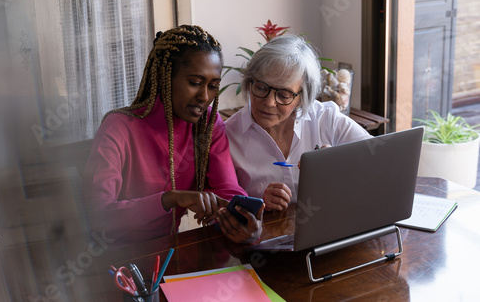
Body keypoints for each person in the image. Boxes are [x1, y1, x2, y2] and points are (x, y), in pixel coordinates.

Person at [82, 25, 263, 244]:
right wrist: (170, 199)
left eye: (213, 86)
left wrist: (243, 214)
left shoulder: (206, 123)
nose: (205, 97)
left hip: (170, 252)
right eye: (195, 83)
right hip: (118, 258)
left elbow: (226, 186)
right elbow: (99, 217)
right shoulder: (119, 128)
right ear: (162, 77)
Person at [225, 34, 371, 211]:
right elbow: (222, 208)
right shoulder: (228, 136)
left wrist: (340, 162)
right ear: (249, 83)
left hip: (327, 229)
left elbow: (378, 159)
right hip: (263, 235)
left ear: (302, 98)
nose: (269, 102)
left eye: (284, 95)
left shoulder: (326, 118)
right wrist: (257, 204)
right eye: (261, 88)